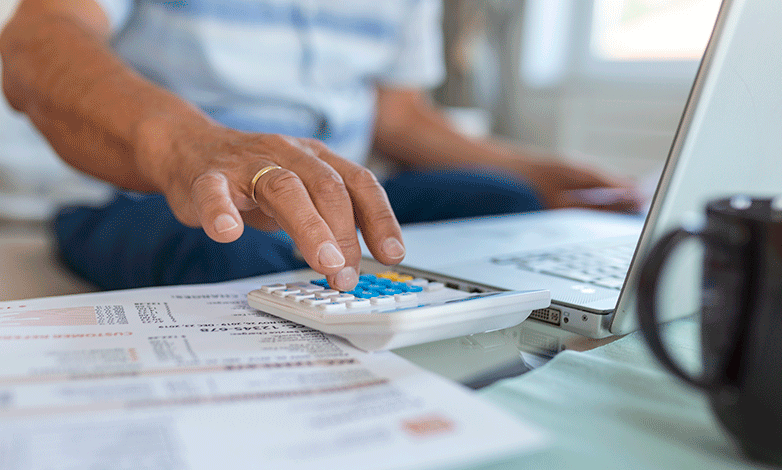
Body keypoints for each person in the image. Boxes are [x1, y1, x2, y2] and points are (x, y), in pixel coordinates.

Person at [0, 0, 637, 292]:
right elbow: (33, 41)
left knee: (511, 200)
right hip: (153, 194)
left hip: (336, 186)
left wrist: (538, 171)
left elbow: (400, 116)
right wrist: (186, 143)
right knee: (241, 269)